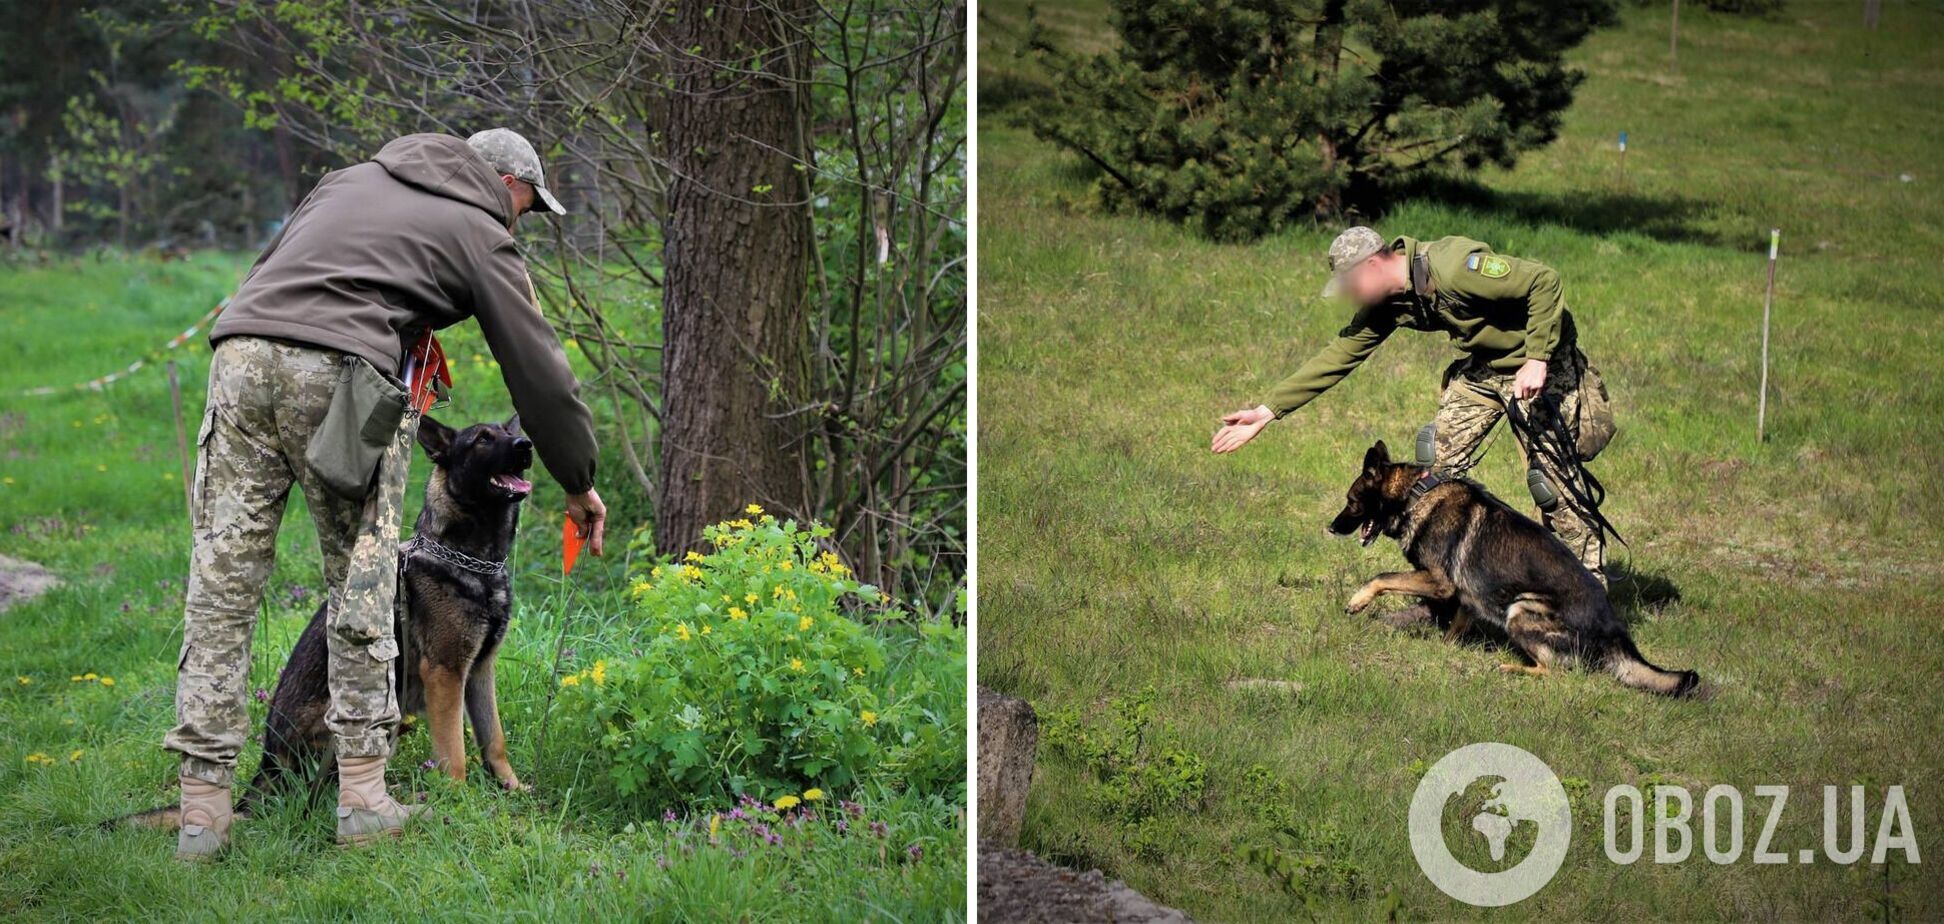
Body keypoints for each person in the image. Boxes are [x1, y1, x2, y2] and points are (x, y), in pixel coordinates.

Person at [165, 128, 607, 860]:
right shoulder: (478, 222)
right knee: (363, 585)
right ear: (506, 183)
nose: (519, 224)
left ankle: (202, 813)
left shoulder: (344, 181)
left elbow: (272, 271)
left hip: (240, 353)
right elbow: (537, 367)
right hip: (341, 375)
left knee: (222, 585)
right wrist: (579, 478)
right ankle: (364, 797)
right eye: (526, 208)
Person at [1212, 226, 1616, 584]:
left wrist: (1538, 359)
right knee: (1430, 475)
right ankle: (1451, 582)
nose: (1351, 297)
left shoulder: (1454, 267)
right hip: (1485, 367)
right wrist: (1267, 412)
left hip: (1541, 362)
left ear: (1372, 267)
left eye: (1351, 286)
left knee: (1553, 488)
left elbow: (1544, 282)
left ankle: (1588, 594)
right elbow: (1339, 355)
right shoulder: (1392, 301)